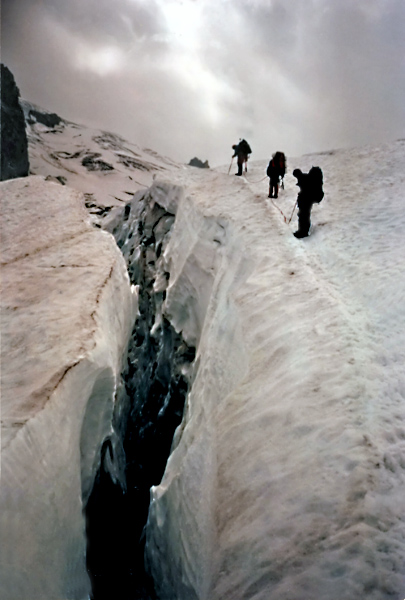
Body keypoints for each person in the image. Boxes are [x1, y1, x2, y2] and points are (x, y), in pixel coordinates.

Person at [292, 166, 324, 238]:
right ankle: (303, 231)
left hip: (307, 199)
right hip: (310, 198)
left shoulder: (304, 178)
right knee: (304, 214)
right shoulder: (309, 178)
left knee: (303, 215)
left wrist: (301, 194)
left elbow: (306, 190)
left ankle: (303, 232)